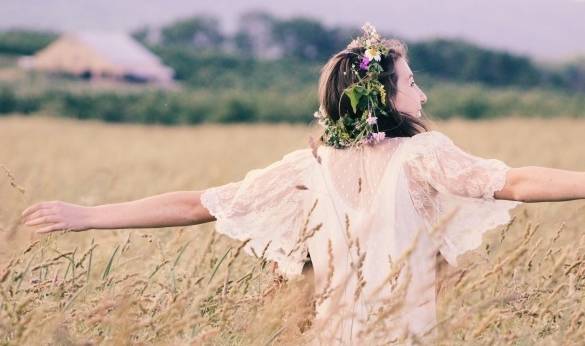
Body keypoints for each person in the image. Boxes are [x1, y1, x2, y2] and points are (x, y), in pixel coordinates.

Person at [20, 23, 585, 344]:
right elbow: (516, 181)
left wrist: (89, 214)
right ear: (384, 99)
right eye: (412, 84)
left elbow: (195, 203)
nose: (423, 96)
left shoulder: (304, 168)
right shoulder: (424, 156)